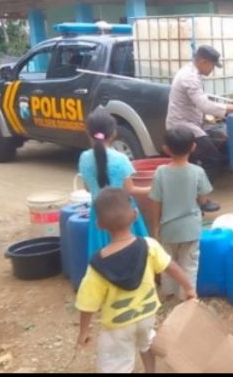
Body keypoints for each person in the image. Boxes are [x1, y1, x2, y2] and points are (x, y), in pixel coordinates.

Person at [75, 188, 196, 373]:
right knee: (146, 341)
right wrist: (188, 287)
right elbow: (171, 266)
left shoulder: (97, 264)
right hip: (147, 314)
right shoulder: (150, 245)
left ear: (99, 224)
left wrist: (84, 331)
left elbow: (87, 304)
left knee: (116, 361)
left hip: (117, 324)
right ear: (136, 215)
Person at [166, 45, 233, 210]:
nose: (212, 69)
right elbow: (204, 104)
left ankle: (187, 200)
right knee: (212, 159)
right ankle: (198, 198)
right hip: (182, 126)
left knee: (190, 162)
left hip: (188, 124)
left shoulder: (191, 72)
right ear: (203, 61)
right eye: (211, 65)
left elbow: (198, 104)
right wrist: (232, 108)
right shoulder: (190, 77)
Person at [149, 125, 214, 301]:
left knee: (168, 264)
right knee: (189, 265)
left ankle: (168, 295)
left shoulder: (160, 173)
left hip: (168, 229)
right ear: (193, 147)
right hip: (191, 230)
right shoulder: (197, 172)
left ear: (166, 149)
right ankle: (186, 299)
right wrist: (203, 202)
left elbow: (155, 202)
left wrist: (156, 227)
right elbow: (203, 199)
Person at [78, 111, 149, 259]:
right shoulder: (121, 159)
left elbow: (87, 187)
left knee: (102, 254)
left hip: (99, 212)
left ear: (88, 132)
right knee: (131, 252)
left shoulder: (84, 158)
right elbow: (129, 190)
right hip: (123, 211)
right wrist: (151, 188)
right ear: (113, 133)